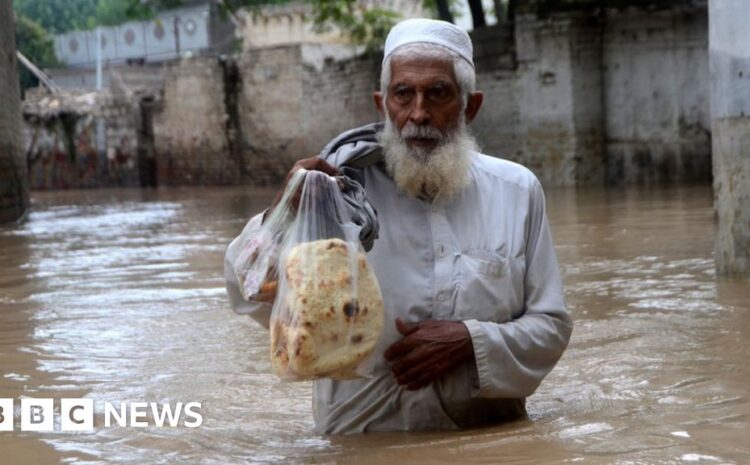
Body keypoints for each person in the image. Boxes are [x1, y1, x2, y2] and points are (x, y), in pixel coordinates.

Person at [224, 18, 573, 434]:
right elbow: (246, 292)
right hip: (363, 443)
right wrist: (282, 215)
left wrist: (470, 341)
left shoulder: (517, 191)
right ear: (382, 104)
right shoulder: (337, 196)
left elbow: (550, 327)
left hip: (486, 438)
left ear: (470, 106)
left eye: (438, 93)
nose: (419, 113)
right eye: (403, 94)